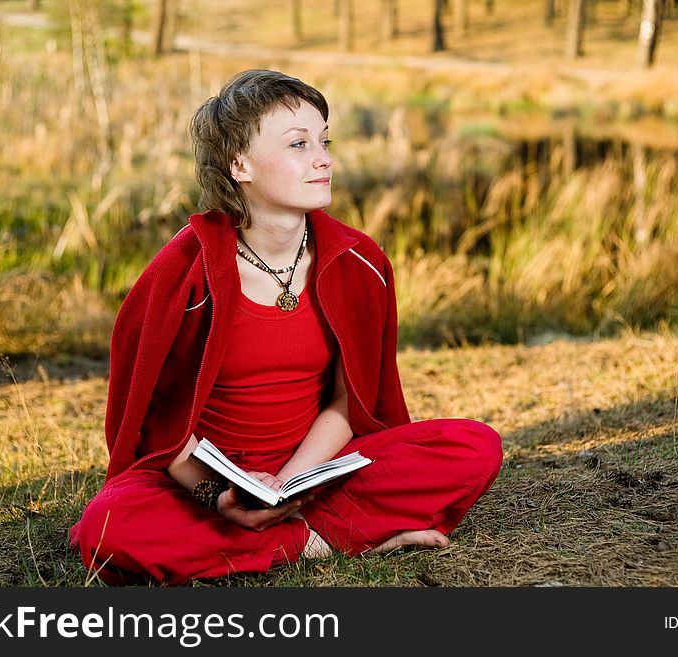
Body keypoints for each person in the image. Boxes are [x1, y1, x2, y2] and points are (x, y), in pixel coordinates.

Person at [70, 69, 503, 585]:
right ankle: (317, 541)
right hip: (208, 484)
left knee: (474, 447)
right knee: (109, 526)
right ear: (239, 163)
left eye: (324, 141)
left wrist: (290, 483)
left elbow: (351, 402)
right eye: (298, 144)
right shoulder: (181, 274)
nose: (323, 159)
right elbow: (158, 428)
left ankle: (283, 534)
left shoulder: (358, 261)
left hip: (318, 469)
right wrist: (221, 498)